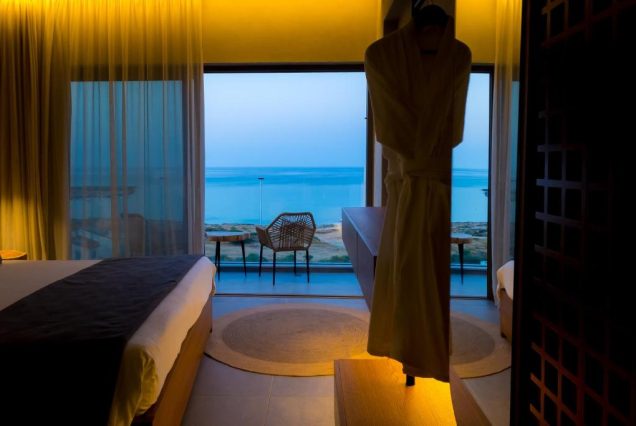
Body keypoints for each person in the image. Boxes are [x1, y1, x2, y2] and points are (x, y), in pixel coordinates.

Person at [364, 5, 471, 382]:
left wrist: (416, 157)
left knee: (418, 276)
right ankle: (416, 350)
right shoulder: (380, 55)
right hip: (421, 183)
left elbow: (392, 131)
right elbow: (452, 132)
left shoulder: (459, 55)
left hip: (424, 185)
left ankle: (420, 352)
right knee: (411, 276)